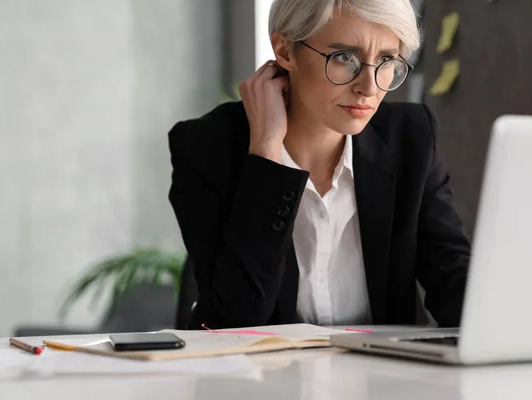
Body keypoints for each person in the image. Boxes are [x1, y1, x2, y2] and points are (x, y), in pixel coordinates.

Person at [168, 0, 471, 330]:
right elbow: (235, 320)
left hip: (388, 376)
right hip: (265, 379)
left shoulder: (411, 138)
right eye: (344, 57)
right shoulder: (205, 148)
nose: (369, 87)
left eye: (386, 60)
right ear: (284, 51)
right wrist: (266, 154)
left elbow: (451, 274)